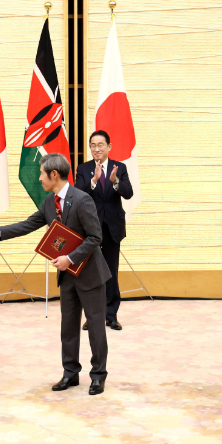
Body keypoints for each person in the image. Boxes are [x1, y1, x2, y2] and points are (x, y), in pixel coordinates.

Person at [0, 153, 112, 395]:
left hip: (90, 274)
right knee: (68, 327)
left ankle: (98, 376)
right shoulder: (48, 202)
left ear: (54, 174)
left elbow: (96, 237)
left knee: (96, 326)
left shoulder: (82, 199)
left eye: (42, 173)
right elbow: (27, 224)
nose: (40, 178)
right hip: (67, 276)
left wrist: (70, 258)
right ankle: (70, 373)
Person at [75, 130, 133, 330]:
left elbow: (128, 193)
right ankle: (92, 316)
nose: (96, 148)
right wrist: (93, 181)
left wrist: (115, 181)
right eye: (93, 145)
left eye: (101, 145)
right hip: (90, 229)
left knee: (110, 273)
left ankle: (111, 315)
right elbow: (77, 195)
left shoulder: (120, 168)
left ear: (109, 147)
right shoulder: (83, 169)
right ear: (90, 147)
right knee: (91, 274)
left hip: (112, 228)